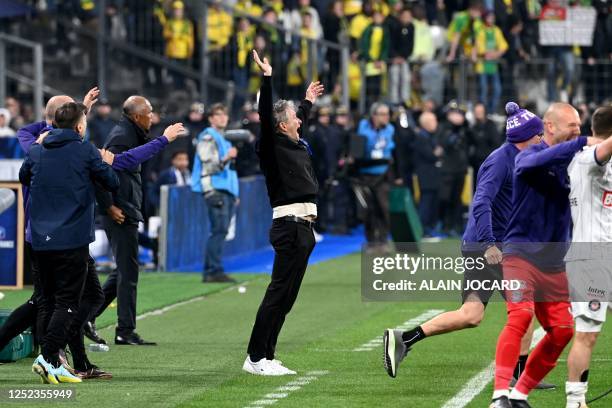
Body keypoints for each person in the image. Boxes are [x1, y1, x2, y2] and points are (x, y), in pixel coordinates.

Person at [384, 103, 552, 390]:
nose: (543, 141)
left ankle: (403, 339)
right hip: (489, 246)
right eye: (539, 136)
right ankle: (520, 375)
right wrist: (489, 243)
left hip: (490, 244)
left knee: (471, 315)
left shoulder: (525, 154)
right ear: (528, 137)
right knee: (525, 306)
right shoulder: (501, 161)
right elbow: (481, 202)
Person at [491, 103, 597, 408]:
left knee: (563, 331)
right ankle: (499, 395)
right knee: (520, 315)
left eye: (580, 125)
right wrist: (580, 143)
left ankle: (520, 393)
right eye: (572, 125)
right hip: (520, 256)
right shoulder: (529, 156)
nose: (578, 131)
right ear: (549, 127)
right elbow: (529, 166)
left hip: (554, 263)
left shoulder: (577, 161)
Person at [20, 102, 120, 384]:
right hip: (71, 239)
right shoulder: (85, 149)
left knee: (47, 301)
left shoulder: (38, 150)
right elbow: (111, 181)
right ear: (79, 126)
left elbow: (23, 176)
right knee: (67, 303)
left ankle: (59, 363)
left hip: (39, 239)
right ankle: (48, 356)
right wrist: (105, 164)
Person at [243, 50, 324, 376]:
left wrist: (306, 101)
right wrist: (267, 77)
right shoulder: (272, 145)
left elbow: (294, 114)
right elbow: (267, 115)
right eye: (295, 118)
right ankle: (255, 357)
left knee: (287, 297)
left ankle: (268, 354)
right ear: (280, 125)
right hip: (289, 226)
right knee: (278, 294)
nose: (300, 121)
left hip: (303, 228)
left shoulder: (292, 141)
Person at [94, 96, 184, 346]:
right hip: (119, 210)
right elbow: (102, 172)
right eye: (149, 112)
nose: (152, 116)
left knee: (124, 270)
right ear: (136, 116)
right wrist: (109, 205)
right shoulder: (121, 136)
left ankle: (87, 317)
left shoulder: (130, 132)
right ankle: (124, 330)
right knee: (128, 272)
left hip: (126, 207)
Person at [565, 106, 612, 408]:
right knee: (587, 335)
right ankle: (576, 401)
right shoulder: (586, 160)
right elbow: (601, 153)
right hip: (590, 259)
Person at [190, 103, 239, 283]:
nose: (222, 118)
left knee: (220, 230)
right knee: (218, 230)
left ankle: (211, 270)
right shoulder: (208, 137)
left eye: (224, 114)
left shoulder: (223, 139)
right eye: (217, 115)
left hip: (225, 190)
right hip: (214, 188)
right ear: (210, 118)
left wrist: (235, 193)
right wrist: (227, 157)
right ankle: (213, 270)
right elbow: (208, 165)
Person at [356, 102, 398, 250]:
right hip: (365, 174)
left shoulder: (390, 129)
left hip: (383, 174)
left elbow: (390, 149)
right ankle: (371, 241)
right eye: (383, 114)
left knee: (384, 208)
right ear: (374, 115)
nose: (387, 117)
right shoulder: (363, 127)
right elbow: (362, 146)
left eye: (388, 114)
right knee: (368, 210)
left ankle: (382, 240)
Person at [413, 111, 443, 236]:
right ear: (426, 123)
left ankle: (428, 228)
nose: (436, 123)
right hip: (426, 175)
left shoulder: (430, 136)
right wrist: (436, 153)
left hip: (432, 174)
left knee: (431, 202)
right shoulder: (421, 137)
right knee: (426, 202)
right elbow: (431, 155)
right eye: (433, 120)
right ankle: (422, 229)